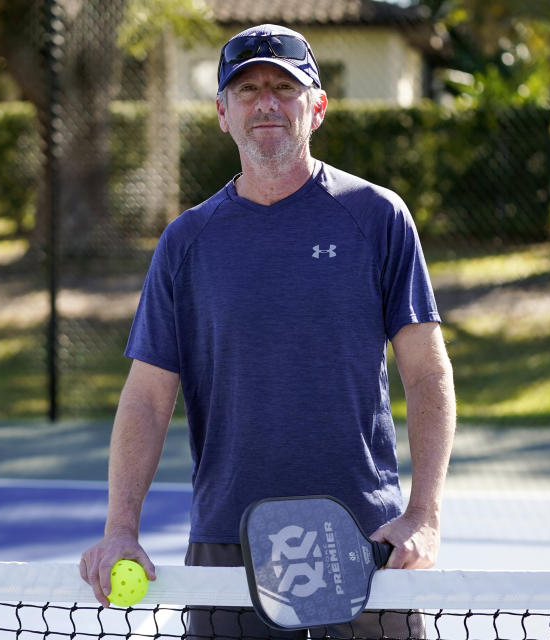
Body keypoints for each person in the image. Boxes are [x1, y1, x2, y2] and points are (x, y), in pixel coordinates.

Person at [80, 23, 455, 639]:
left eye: (285, 86)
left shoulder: (378, 217)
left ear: (317, 106)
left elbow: (427, 371)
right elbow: (147, 399)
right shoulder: (186, 242)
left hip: (366, 540)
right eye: (248, 89)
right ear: (223, 113)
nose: (267, 103)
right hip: (230, 543)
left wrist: (423, 514)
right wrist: (120, 529)